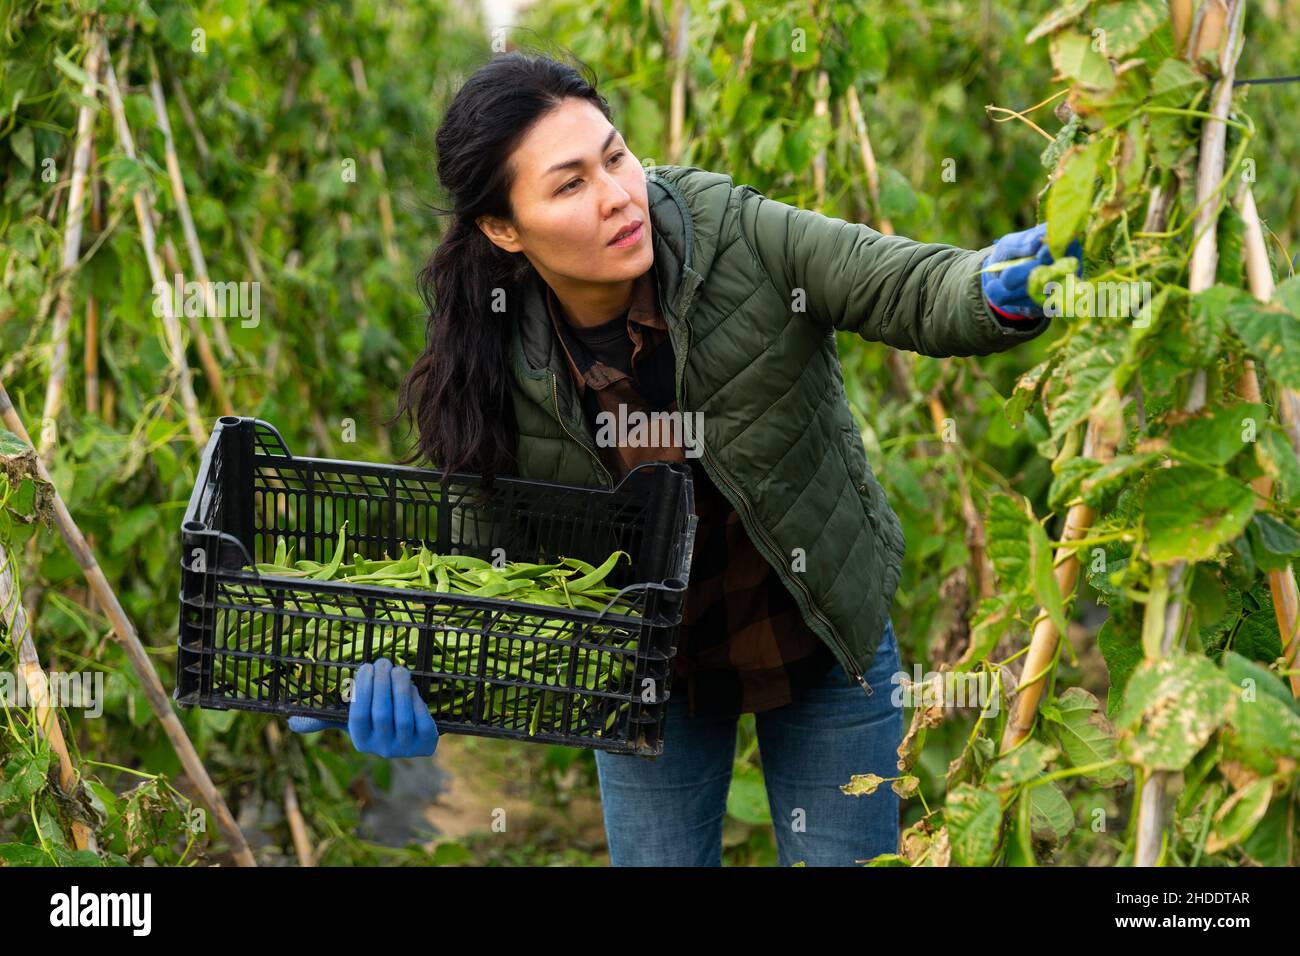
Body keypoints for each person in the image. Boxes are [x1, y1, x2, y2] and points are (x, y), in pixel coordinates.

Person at [292, 49, 1080, 866]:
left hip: (814, 628)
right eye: (569, 185)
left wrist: (995, 285)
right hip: (647, 673)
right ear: (502, 228)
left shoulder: (730, 231)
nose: (617, 197)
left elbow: (905, 286)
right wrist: (379, 673)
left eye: (615, 156)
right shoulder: (489, 350)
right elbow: (476, 558)